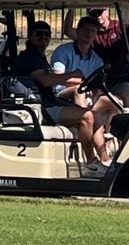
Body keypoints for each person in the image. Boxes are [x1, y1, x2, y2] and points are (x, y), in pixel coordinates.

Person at [11, 20, 105, 173]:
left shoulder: (39, 57)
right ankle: (90, 162)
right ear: (30, 36)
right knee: (86, 116)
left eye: (47, 34)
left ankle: (105, 158)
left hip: (48, 102)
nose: (44, 37)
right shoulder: (29, 57)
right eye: (39, 34)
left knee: (94, 114)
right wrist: (73, 74)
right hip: (40, 107)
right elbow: (45, 81)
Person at [50, 15, 122, 168]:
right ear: (78, 31)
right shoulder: (63, 51)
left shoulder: (96, 60)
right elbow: (57, 78)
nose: (89, 34)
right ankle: (83, 119)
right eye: (86, 30)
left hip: (86, 97)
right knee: (80, 93)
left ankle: (106, 152)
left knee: (116, 101)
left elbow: (96, 84)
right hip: (61, 97)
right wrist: (83, 83)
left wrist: (95, 88)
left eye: (93, 31)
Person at [63, 5, 129, 108]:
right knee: (105, 103)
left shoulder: (120, 27)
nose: (98, 16)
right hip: (97, 82)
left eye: (100, 12)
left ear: (107, 11)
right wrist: (73, 4)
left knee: (128, 97)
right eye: (93, 14)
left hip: (120, 79)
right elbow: (68, 31)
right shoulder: (91, 34)